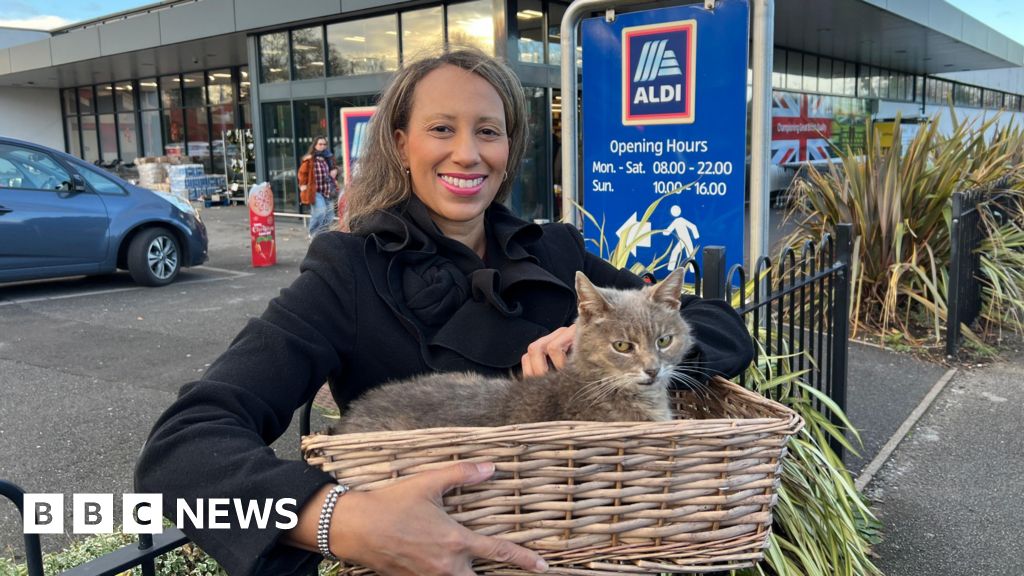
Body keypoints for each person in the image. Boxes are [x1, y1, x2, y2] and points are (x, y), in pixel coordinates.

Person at [136, 47, 754, 576]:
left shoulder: (558, 251)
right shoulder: (347, 273)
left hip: (610, 547)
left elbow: (721, 327)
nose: (467, 153)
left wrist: (599, 341)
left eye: (488, 131)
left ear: (510, 148)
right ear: (401, 143)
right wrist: (337, 521)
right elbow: (182, 450)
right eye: (441, 129)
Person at [297, 136, 339, 237]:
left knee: (329, 215)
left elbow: (335, 168)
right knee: (320, 212)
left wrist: (336, 171)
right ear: (315, 145)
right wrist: (303, 185)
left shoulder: (329, 157)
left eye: (324, 144)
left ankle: (322, 236)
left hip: (327, 190)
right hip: (315, 191)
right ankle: (313, 234)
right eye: (320, 144)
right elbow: (302, 173)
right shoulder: (310, 159)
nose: (322, 146)